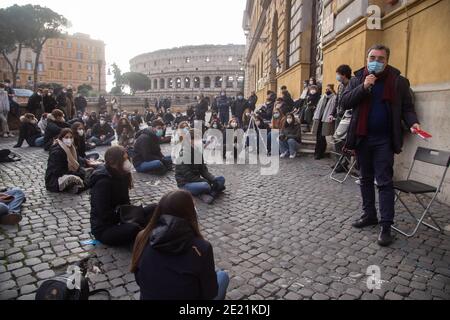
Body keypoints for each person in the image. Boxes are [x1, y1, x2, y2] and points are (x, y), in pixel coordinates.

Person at [341, 44, 420, 247]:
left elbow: (407, 108)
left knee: (384, 181)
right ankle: (369, 215)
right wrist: (364, 87)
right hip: (362, 137)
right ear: (367, 58)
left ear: (387, 61)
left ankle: (386, 225)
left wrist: (413, 123)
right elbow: (345, 102)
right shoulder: (358, 78)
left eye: (380, 58)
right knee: (365, 178)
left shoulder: (398, 82)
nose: (376, 61)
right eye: (372, 57)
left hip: (384, 139)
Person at [131, 190, 229, 300]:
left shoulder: (142, 236)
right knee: (222, 276)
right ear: (190, 213)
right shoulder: (201, 248)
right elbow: (210, 293)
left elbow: (139, 279)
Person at [90, 146, 157, 247]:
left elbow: (125, 203)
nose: (128, 161)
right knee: (133, 228)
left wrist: (132, 214)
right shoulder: (103, 182)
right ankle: (146, 235)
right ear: (115, 162)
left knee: (155, 208)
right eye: (125, 159)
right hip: (105, 228)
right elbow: (103, 214)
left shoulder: (122, 175)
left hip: (123, 218)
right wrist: (124, 218)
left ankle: (146, 230)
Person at [175, 129, 226, 205]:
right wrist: (206, 181)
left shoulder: (198, 151)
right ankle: (212, 192)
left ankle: (208, 192)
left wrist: (213, 179)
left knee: (221, 179)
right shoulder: (184, 154)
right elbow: (189, 177)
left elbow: (204, 170)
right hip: (185, 183)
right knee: (205, 185)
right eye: (197, 139)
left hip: (196, 181)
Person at [45, 129, 87, 194]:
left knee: (87, 172)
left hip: (68, 172)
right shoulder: (57, 152)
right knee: (73, 178)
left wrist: (85, 165)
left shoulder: (72, 148)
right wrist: (77, 173)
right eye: (66, 137)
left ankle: (78, 186)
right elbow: (59, 171)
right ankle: (79, 186)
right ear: (61, 138)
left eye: (71, 137)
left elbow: (78, 161)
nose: (69, 139)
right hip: (55, 179)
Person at [331, 65, 353, 173]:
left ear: (344, 74)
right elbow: (337, 101)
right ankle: (338, 161)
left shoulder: (352, 84)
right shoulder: (340, 86)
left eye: (338, 74)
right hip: (339, 116)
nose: (337, 76)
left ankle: (345, 163)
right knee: (337, 140)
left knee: (345, 141)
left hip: (348, 117)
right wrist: (332, 113)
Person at [312, 84, 337, 160]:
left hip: (326, 119)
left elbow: (334, 108)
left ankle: (320, 153)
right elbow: (318, 107)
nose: (327, 91)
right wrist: (315, 116)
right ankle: (317, 153)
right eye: (326, 89)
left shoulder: (334, 98)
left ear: (332, 89)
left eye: (328, 89)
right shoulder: (323, 97)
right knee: (318, 136)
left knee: (322, 137)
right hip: (319, 118)